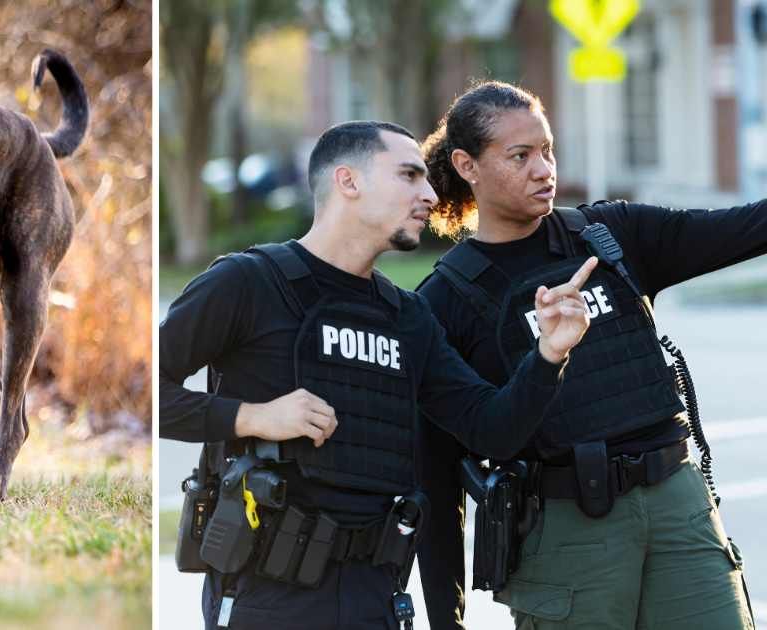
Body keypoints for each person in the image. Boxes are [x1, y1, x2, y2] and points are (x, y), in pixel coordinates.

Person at [160, 120, 597, 630]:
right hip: (267, 596)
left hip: (377, 598)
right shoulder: (248, 283)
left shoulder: (407, 318)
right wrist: (252, 417)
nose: (430, 195)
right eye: (409, 175)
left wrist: (548, 355)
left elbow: (491, 429)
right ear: (348, 181)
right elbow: (151, 397)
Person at [416, 80, 758, 630]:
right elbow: (436, 477)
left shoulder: (609, 236)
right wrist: (446, 619)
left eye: (547, 150)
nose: (544, 170)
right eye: (520, 156)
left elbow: (746, 228)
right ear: (467, 165)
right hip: (565, 533)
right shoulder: (444, 300)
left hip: (678, 508)